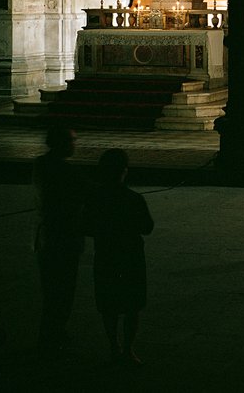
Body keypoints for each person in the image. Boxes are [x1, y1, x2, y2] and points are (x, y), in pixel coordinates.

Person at [84, 148, 154, 365]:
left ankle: (114, 344)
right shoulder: (133, 199)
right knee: (132, 305)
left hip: (106, 253)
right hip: (130, 254)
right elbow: (147, 227)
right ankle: (128, 349)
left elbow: (86, 226)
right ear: (124, 171)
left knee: (109, 303)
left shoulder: (96, 198)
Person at [32, 124, 85, 356]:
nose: (75, 145)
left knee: (51, 288)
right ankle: (53, 334)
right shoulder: (67, 172)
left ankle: (50, 332)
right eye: (72, 140)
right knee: (62, 290)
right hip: (65, 235)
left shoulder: (41, 164)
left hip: (47, 234)